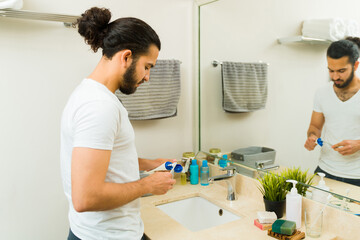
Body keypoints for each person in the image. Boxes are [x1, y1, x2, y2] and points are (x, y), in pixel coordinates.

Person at [60, 7, 176, 240]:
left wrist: (147, 163)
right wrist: (148, 185)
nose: (147, 77)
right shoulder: (99, 107)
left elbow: (103, 159)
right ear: (126, 57)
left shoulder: (91, 95)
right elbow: (86, 198)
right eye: (147, 66)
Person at [304, 37, 360, 187]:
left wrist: (359, 144)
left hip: (357, 175)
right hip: (325, 171)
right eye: (331, 70)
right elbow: (315, 126)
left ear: (355, 65)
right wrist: (312, 137)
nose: (335, 77)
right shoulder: (322, 93)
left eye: (341, 71)